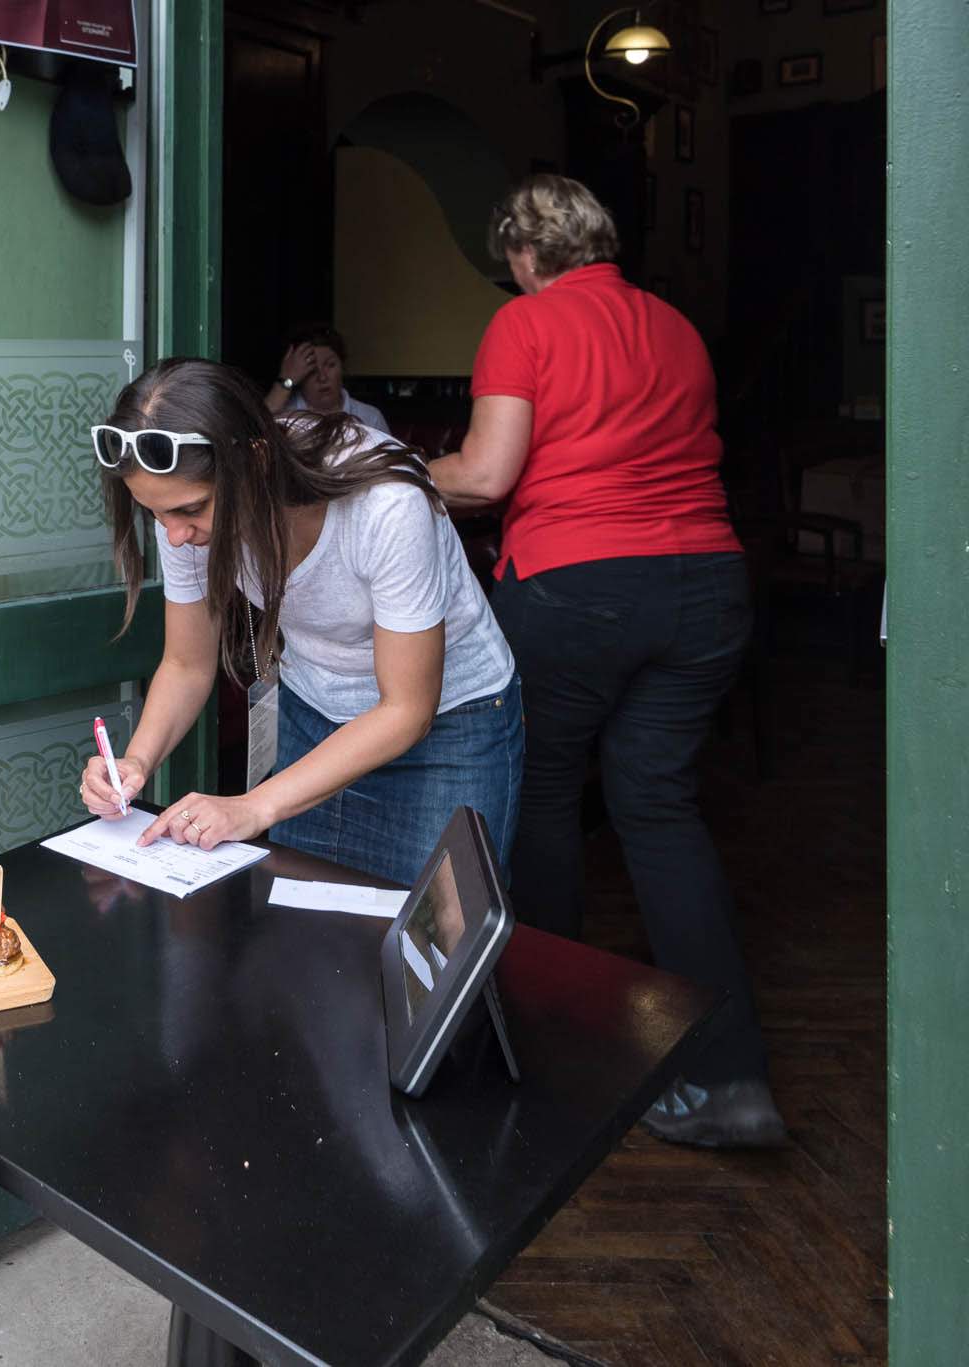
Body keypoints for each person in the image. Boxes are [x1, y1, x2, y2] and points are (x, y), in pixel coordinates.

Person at [427, 174, 784, 1149]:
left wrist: (396, 470)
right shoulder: (673, 324)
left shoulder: (526, 321)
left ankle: (554, 1058)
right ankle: (731, 1079)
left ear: (522, 255)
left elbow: (488, 473)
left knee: (541, 796)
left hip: (576, 586)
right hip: (705, 585)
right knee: (656, 803)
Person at [77, 358, 522, 889]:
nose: (174, 536)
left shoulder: (388, 504)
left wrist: (253, 807)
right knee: (306, 931)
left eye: (191, 510)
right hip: (315, 711)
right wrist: (136, 761)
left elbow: (407, 710)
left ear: (256, 463)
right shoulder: (179, 506)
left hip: (450, 726)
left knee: (429, 947)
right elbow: (186, 662)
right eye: (156, 514)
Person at [263, 323, 391, 434]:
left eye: (330, 365)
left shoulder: (370, 417)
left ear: (342, 366)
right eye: (312, 370)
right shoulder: (285, 414)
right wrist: (286, 379)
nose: (322, 377)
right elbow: (255, 430)